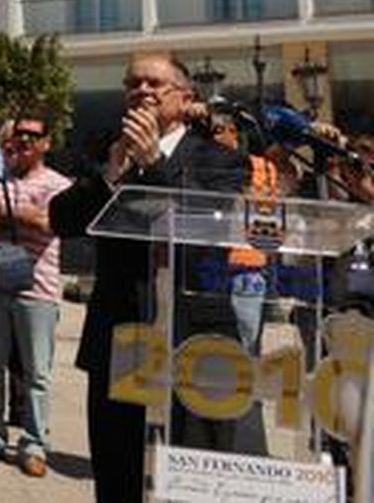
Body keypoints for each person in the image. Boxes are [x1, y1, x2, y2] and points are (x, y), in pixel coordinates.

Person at [50, 51, 246, 503]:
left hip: (193, 339)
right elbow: (61, 219)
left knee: (191, 477)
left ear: (185, 97)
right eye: (132, 83)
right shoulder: (105, 149)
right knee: (118, 475)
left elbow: (203, 221)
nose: (141, 91)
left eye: (154, 84)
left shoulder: (220, 159)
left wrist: (155, 164)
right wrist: (109, 178)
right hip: (120, 337)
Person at [0, 111, 71, 478]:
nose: (23, 139)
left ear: (46, 143)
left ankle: (34, 443)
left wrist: (11, 218)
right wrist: (25, 217)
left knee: (36, 373)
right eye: (19, 134)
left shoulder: (59, 184)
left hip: (38, 289)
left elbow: (48, 223)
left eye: (32, 135)